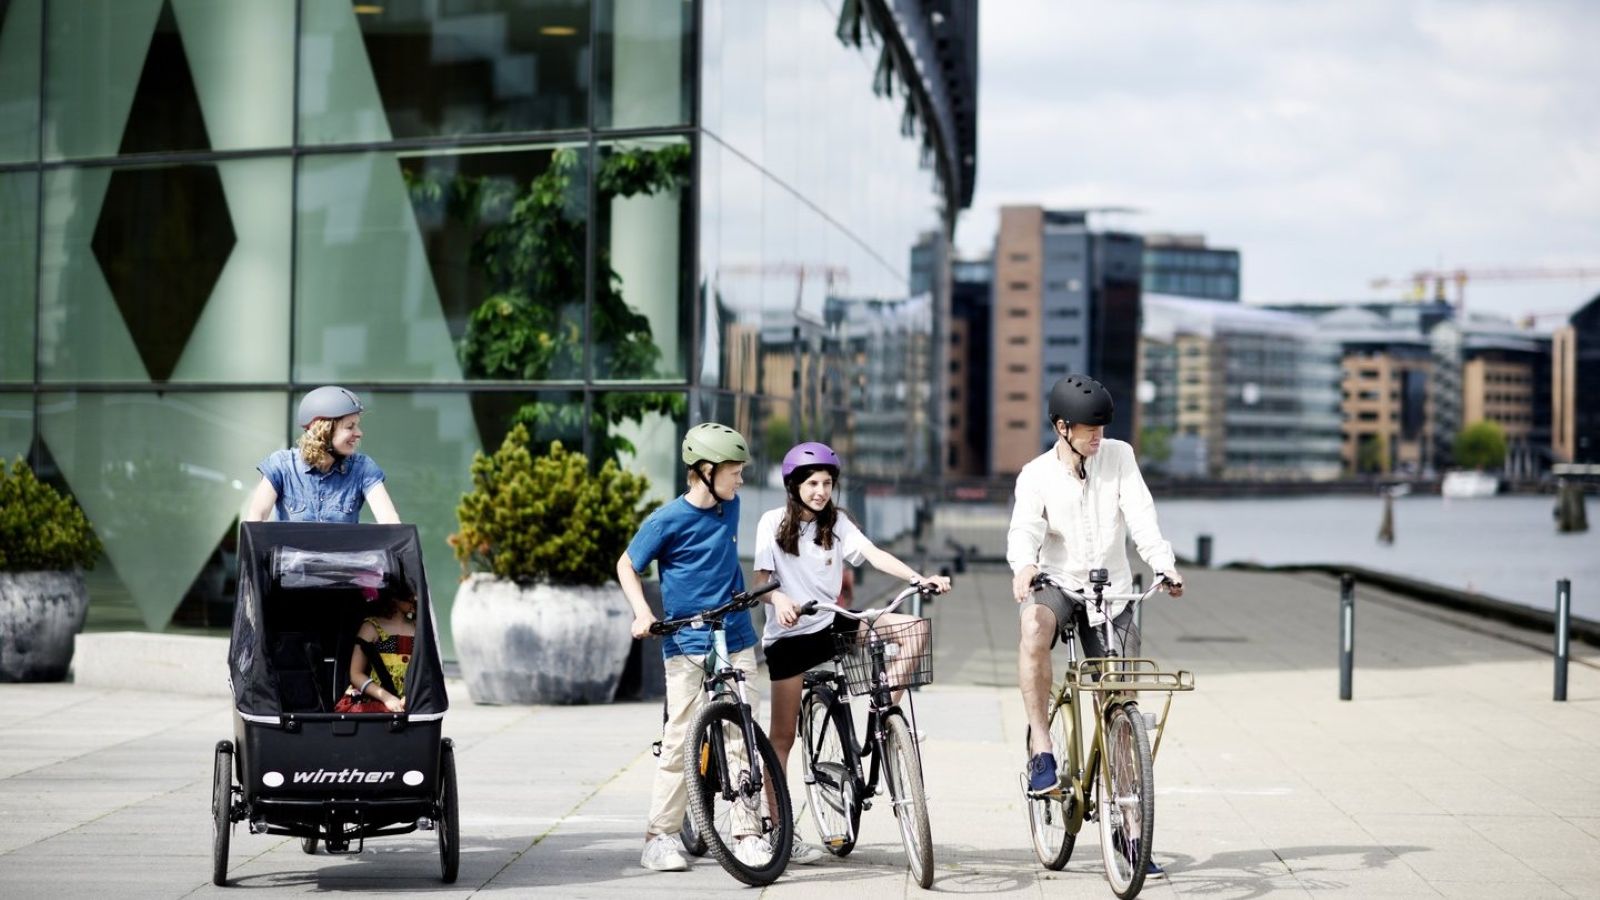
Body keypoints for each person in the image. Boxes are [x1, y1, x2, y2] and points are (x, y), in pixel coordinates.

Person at [1008, 374, 1184, 873]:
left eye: (1102, 429)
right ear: (1062, 428)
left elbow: (1143, 518)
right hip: (1059, 582)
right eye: (1088, 430)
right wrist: (1023, 565)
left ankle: (1130, 834)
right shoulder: (1036, 474)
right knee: (1033, 629)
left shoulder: (1120, 457)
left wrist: (1164, 565)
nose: (1097, 438)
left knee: (1121, 711)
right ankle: (1042, 748)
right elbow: (1025, 529)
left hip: (1114, 593)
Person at [753, 441, 950, 865]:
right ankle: (776, 825)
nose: (820, 491)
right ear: (794, 486)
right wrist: (780, 600)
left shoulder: (837, 523)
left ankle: (884, 713)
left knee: (913, 629)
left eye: (826, 483)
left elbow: (874, 554)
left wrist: (919, 578)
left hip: (832, 621)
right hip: (789, 637)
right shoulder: (772, 522)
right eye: (812, 483)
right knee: (782, 737)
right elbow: (762, 581)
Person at [616, 422, 765, 874]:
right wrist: (642, 612)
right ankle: (657, 837)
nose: (740, 480)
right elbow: (627, 564)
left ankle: (747, 832)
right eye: (734, 471)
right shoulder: (666, 520)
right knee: (681, 739)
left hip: (736, 637)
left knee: (742, 736)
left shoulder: (731, 507)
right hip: (686, 641)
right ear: (704, 471)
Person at [244, 386, 400, 524]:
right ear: (323, 431)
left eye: (357, 426)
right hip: (292, 558)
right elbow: (257, 518)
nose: (359, 433)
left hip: (342, 558)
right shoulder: (281, 465)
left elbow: (389, 520)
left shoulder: (363, 468)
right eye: (350, 427)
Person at [344, 584, 417, 713]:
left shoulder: (419, 627)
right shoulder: (371, 627)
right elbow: (355, 674)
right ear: (394, 597)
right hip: (376, 701)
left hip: (413, 702)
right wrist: (387, 698)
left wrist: (414, 696)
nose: (416, 598)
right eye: (410, 594)